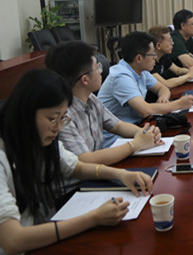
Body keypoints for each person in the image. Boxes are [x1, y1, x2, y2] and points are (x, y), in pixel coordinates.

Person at [0, 69, 153, 255]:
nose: (58, 128)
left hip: (44, 238)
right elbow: (13, 240)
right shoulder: (3, 156)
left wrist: (121, 174)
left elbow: (77, 167)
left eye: (62, 118)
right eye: (52, 119)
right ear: (26, 113)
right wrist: (93, 218)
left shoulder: (40, 140)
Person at [45, 41, 163, 173]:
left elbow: (117, 126)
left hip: (97, 171)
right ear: (85, 80)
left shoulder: (91, 98)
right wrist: (136, 144)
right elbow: (86, 160)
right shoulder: (63, 115)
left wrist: (145, 134)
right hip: (81, 180)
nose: (101, 72)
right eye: (97, 67)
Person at [98, 31, 193, 148]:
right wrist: (179, 104)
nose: (155, 57)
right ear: (139, 58)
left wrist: (163, 97)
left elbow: (162, 88)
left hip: (138, 128)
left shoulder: (140, 70)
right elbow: (145, 110)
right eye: (152, 53)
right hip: (116, 140)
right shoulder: (121, 76)